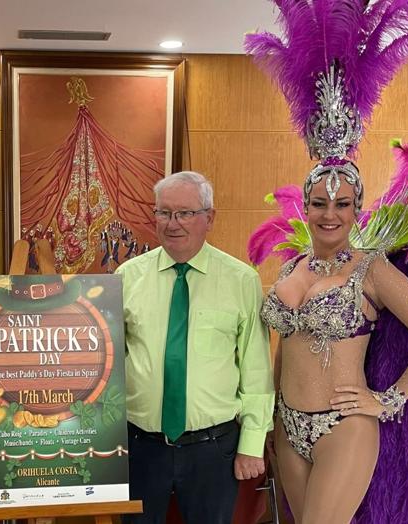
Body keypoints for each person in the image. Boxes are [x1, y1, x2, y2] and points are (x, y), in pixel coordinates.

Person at [245, 1, 408, 522]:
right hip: (287, 428)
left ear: (357, 209)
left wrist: (390, 400)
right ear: (306, 206)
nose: (329, 214)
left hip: (344, 428)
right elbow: (283, 345)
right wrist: (269, 421)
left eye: (342, 204)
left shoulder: (373, 268)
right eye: (319, 203)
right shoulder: (291, 267)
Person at [116, 171, 274, 523]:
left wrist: (251, 444)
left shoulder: (241, 280)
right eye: (164, 213)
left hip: (213, 449)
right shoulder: (126, 277)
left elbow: (256, 370)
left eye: (185, 213)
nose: (173, 224)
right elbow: (108, 364)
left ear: (209, 218)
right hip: (139, 446)